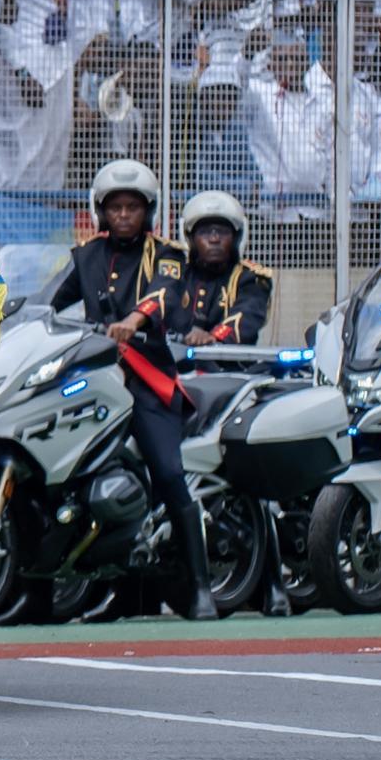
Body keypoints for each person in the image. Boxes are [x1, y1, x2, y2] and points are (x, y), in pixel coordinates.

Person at [51, 160, 216, 620]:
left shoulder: (166, 252)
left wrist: (133, 322)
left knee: (166, 472)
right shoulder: (85, 255)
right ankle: (95, 594)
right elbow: (53, 302)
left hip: (146, 380)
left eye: (133, 207)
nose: (124, 215)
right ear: (100, 211)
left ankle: (202, 588)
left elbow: (163, 291)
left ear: (148, 212)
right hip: (92, 379)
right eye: (116, 207)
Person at [174, 192, 270, 346]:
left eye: (223, 232)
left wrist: (213, 337)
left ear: (236, 238)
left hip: (230, 366)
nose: (214, 239)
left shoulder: (251, 278)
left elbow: (248, 315)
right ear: (190, 238)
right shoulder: (176, 275)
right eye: (205, 232)